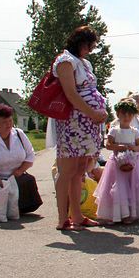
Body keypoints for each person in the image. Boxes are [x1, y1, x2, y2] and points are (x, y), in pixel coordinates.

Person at [48, 25, 108, 231]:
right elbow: (71, 94)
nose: (91, 50)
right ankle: (62, 217)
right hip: (73, 123)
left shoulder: (85, 63)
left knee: (80, 170)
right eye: (89, 45)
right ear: (80, 42)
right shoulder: (66, 61)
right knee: (67, 170)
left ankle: (77, 215)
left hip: (87, 125)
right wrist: (92, 112)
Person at [94, 99, 139, 224]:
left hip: (133, 163)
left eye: (129, 114)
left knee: (133, 186)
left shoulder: (135, 131)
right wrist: (119, 147)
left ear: (133, 116)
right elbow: (108, 145)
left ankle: (131, 212)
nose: (126, 117)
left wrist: (133, 148)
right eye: (123, 114)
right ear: (118, 115)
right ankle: (117, 213)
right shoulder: (114, 130)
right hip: (117, 163)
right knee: (119, 187)